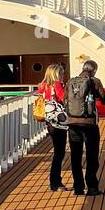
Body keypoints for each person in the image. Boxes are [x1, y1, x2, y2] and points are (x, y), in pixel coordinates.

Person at [65, 59, 105, 196]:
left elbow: (64, 100)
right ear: (94, 70)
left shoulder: (70, 82)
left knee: (75, 156)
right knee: (91, 156)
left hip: (72, 123)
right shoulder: (95, 81)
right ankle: (92, 187)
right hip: (89, 124)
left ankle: (78, 187)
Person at [37, 63, 70, 191]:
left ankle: (55, 181)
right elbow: (64, 99)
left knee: (57, 151)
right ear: (57, 74)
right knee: (59, 153)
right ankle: (55, 182)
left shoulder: (42, 86)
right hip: (59, 122)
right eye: (61, 74)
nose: (63, 76)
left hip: (50, 121)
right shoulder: (56, 85)